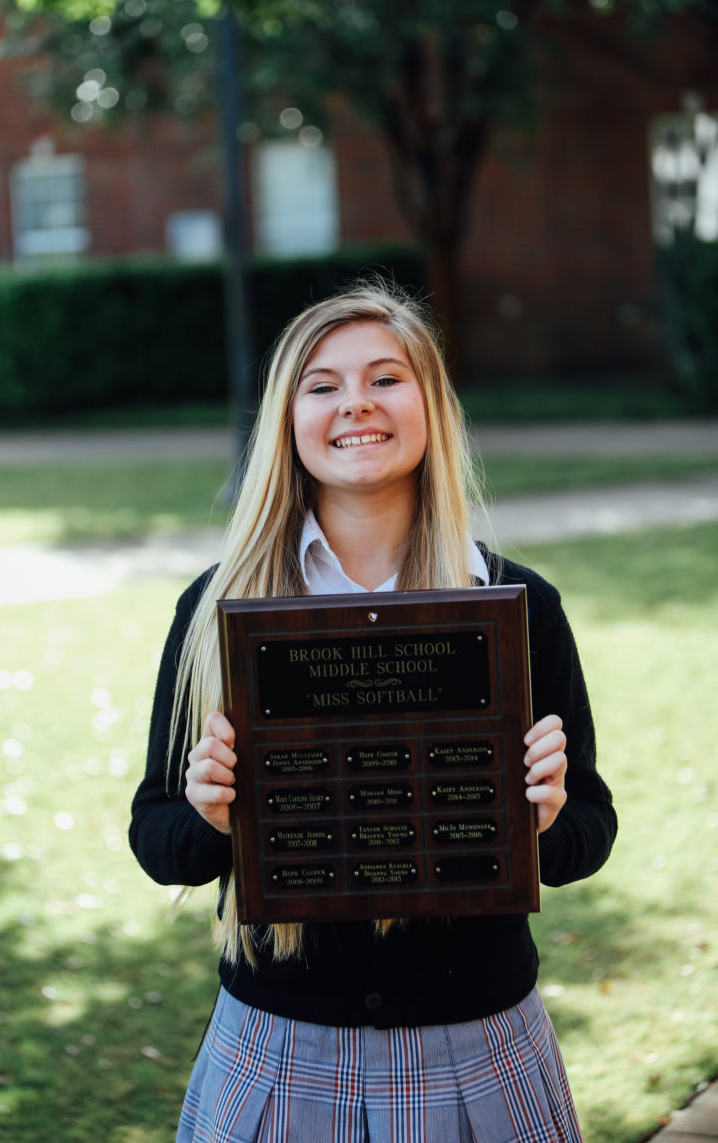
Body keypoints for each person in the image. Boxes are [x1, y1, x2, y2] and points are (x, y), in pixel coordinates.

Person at [130, 281, 617, 1142]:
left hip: (480, 1045)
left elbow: (590, 830)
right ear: (287, 419)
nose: (356, 403)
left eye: (386, 378)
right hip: (279, 1048)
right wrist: (209, 817)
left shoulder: (517, 605)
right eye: (322, 386)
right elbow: (158, 840)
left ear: (432, 407)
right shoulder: (216, 612)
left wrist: (543, 818)